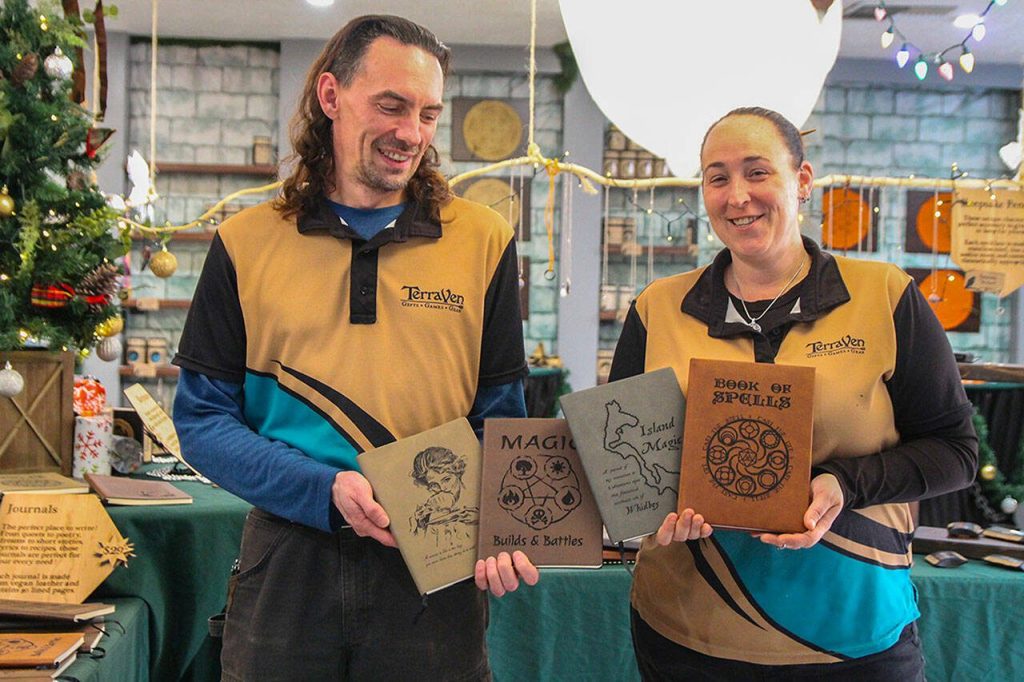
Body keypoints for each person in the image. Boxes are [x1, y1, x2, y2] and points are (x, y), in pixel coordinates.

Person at [171, 15, 538, 681]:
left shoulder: (484, 240)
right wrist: (324, 488)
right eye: (392, 106)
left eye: (428, 113)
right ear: (332, 97)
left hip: (436, 562)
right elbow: (199, 421)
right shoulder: (245, 243)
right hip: (288, 554)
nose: (411, 134)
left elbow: (502, 419)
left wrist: (504, 523)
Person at [609, 106, 978, 680]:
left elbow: (956, 452)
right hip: (688, 632)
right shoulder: (657, 308)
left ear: (802, 181)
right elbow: (626, 464)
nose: (738, 196)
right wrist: (647, 512)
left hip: (852, 635)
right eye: (717, 177)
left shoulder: (884, 296)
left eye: (758, 172)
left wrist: (842, 483)